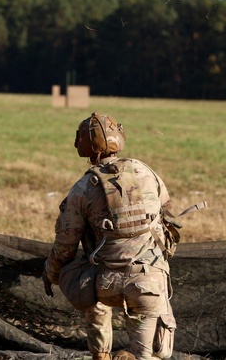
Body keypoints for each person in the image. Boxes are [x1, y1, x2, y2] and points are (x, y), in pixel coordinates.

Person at [43, 113, 177, 360]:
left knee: (86, 277)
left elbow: (65, 246)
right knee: (148, 355)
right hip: (148, 284)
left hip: (104, 284)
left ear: (82, 146)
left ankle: (101, 354)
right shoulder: (146, 172)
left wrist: (51, 273)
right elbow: (167, 218)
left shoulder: (83, 188)